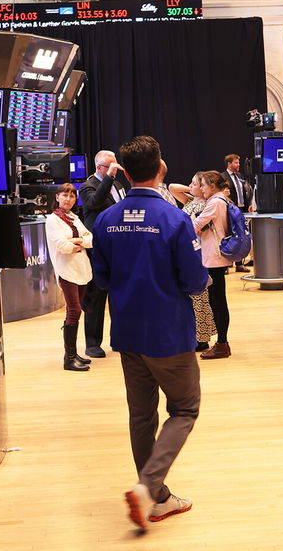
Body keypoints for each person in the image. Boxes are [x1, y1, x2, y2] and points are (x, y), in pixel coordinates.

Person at [90, 136, 207, 532]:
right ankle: (148, 488)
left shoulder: (105, 220)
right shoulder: (175, 220)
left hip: (126, 331)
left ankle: (156, 499)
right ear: (161, 169)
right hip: (168, 334)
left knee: (141, 416)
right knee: (185, 409)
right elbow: (194, 281)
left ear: (124, 171)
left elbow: (100, 279)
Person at [79, 149, 130, 357]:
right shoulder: (87, 186)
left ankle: (119, 338)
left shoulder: (118, 185)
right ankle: (92, 343)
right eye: (111, 166)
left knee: (119, 295)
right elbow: (95, 202)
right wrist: (109, 177)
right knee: (96, 295)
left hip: (118, 246)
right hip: (98, 247)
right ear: (100, 167)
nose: (116, 169)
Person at [44, 183, 94, 372]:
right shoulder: (52, 220)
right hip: (66, 271)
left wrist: (78, 241)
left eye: (72, 196)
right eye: (65, 195)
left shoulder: (74, 218)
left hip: (81, 269)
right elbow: (63, 246)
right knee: (74, 311)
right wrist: (78, 242)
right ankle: (69, 358)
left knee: (76, 311)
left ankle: (72, 352)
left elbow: (91, 240)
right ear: (57, 197)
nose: (68, 199)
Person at [192, 170, 235, 359]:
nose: (201, 189)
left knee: (218, 301)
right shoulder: (221, 201)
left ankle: (222, 344)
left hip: (214, 257)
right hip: (216, 256)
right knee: (216, 300)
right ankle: (221, 343)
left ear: (212, 186)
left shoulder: (216, 202)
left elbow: (195, 226)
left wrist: (192, 217)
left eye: (203, 185)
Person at [178, 173, 216, 352]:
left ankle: (202, 338)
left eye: (194, 184)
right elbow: (172, 188)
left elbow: (198, 231)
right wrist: (193, 190)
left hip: (198, 254)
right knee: (193, 298)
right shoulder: (190, 203)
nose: (190, 185)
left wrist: (199, 192)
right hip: (188, 253)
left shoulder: (205, 206)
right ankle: (195, 335)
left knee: (200, 298)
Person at [223, 154, 253, 273]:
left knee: (241, 235)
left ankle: (239, 264)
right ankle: (225, 265)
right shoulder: (223, 177)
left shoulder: (240, 176)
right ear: (229, 164)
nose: (238, 165)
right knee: (229, 235)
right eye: (236, 163)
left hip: (241, 209)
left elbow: (245, 191)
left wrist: (249, 204)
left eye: (238, 162)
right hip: (230, 209)